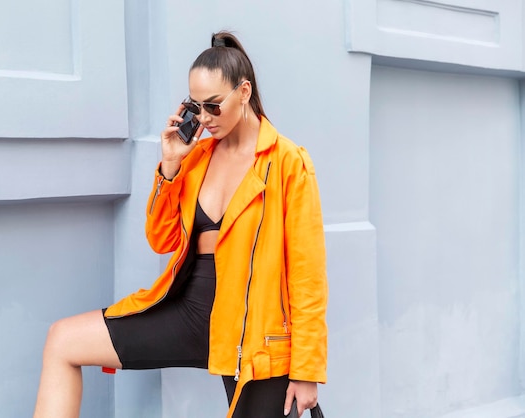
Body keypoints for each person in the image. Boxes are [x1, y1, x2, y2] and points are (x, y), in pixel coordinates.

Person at [33, 31, 328, 418]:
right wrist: (170, 165)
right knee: (63, 340)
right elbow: (162, 238)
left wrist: (307, 371)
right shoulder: (198, 157)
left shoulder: (288, 163)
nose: (204, 119)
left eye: (213, 106)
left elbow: (307, 277)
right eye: (196, 107)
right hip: (188, 311)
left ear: (243, 92)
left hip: (252, 334)